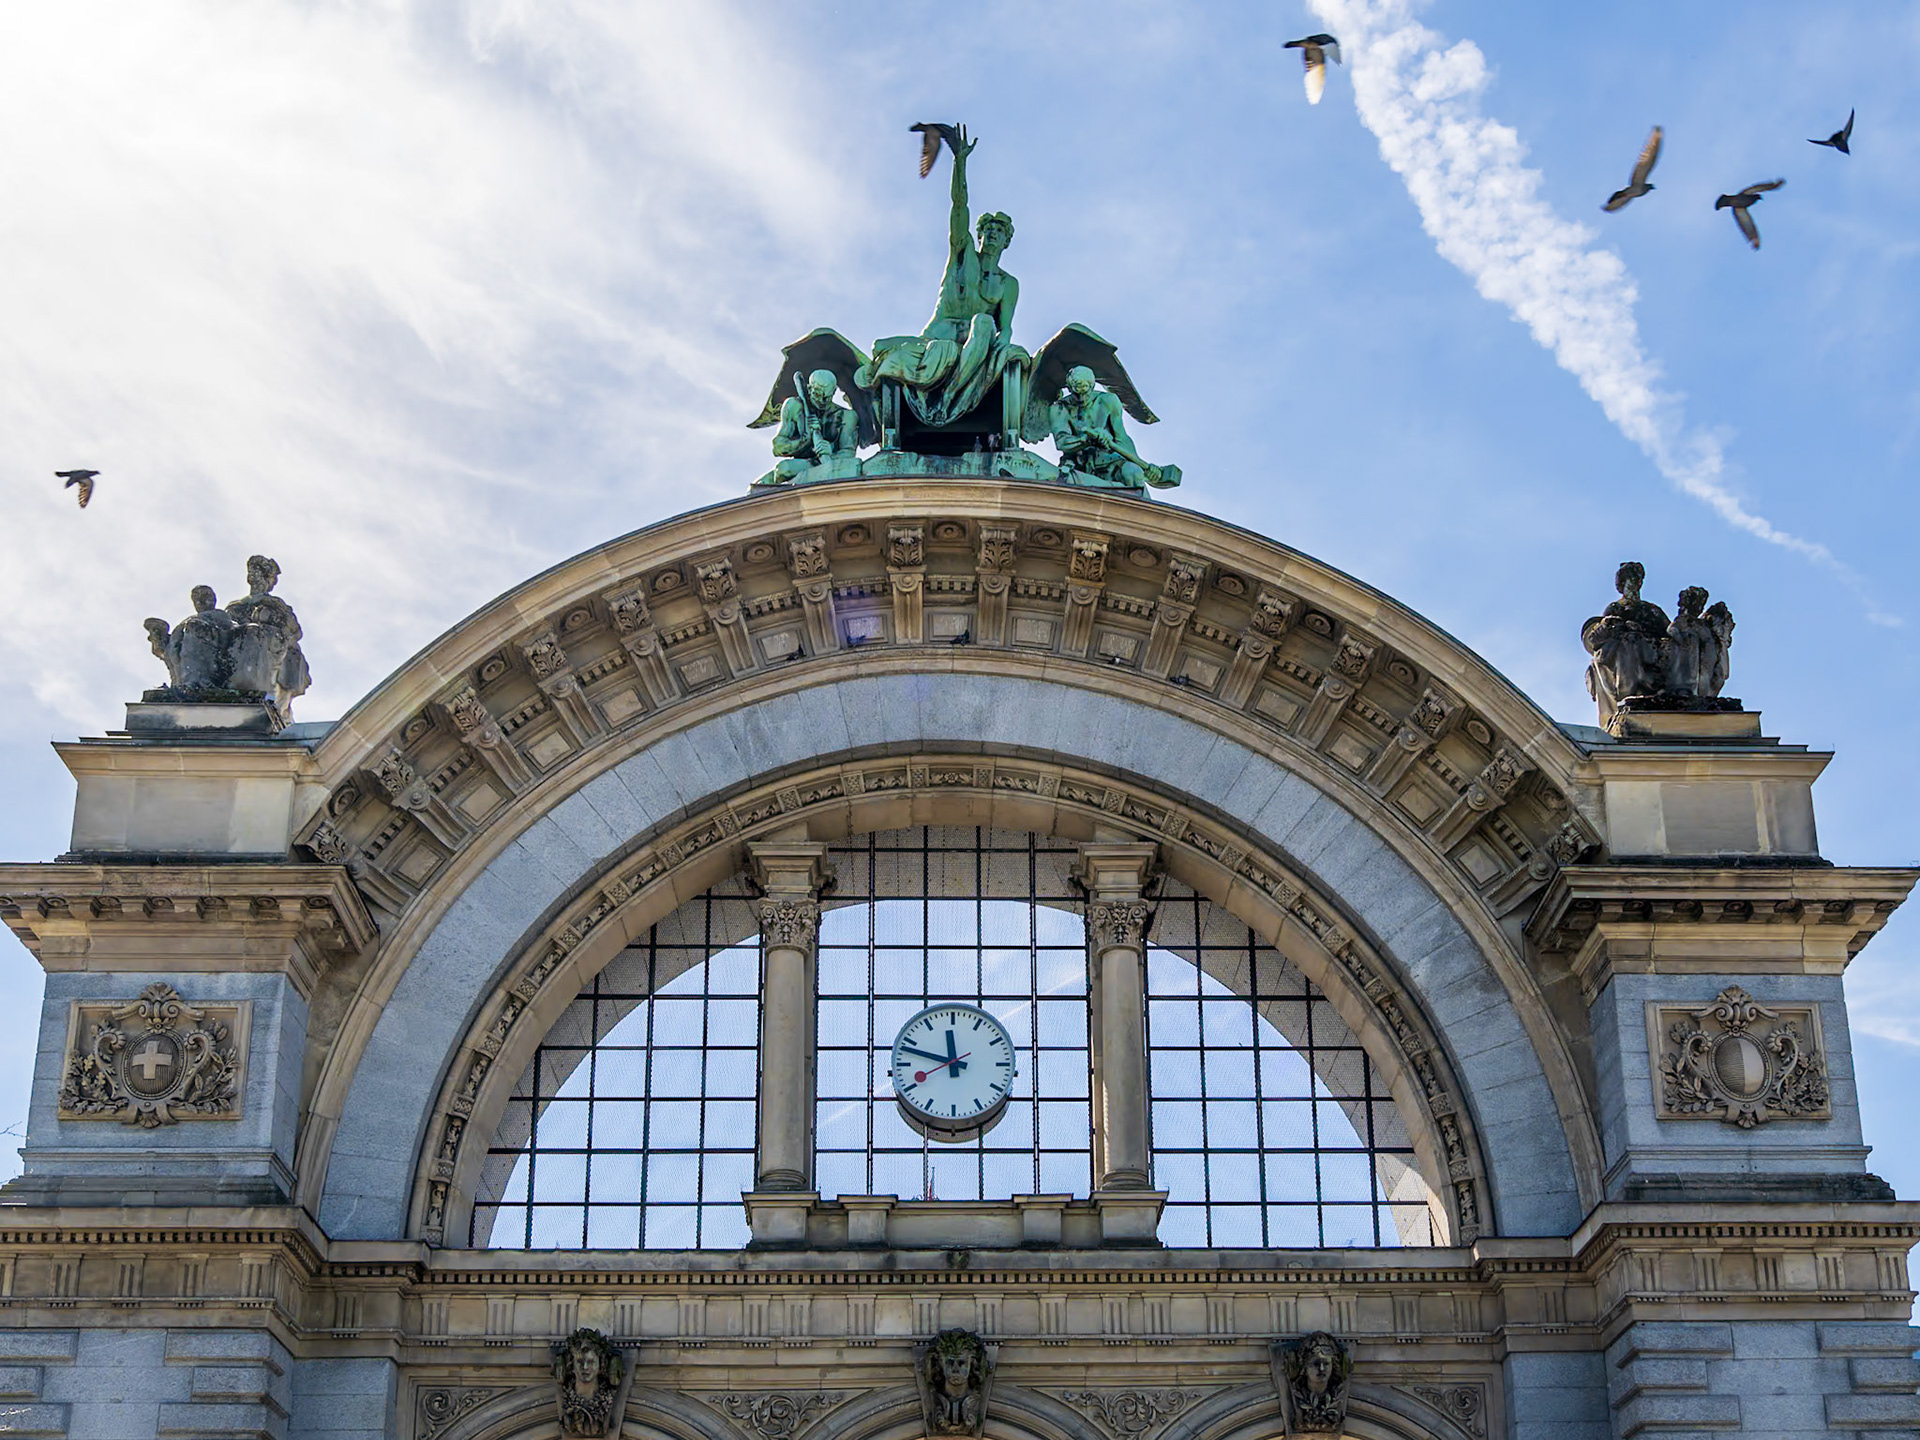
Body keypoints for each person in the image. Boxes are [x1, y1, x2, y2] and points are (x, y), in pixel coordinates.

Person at [858, 128, 1026, 428]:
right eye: (987, 230)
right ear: (979, 234)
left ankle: (948, 398)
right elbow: (959, 206)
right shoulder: (962, 254)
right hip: (937, 340)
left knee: (985, 323)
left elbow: (1007, 329)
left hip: (975, 346)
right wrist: (959, 163)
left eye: (998, 232)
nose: (991, 235)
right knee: (884, 347)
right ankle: (940, 401)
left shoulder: (1007, 283)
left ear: (1006, 242)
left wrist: (1004, 351)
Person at [1048, 365, 1175, 489]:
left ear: (1092, 386)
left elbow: (1122, 438)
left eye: (1085, 393)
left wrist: (1140, 465)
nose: (1081, 398)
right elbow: (1062, 443)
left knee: (1133, 474)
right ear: (1069, 388)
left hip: (1112, 461)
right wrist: (1086, 440)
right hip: (1079, 464)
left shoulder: (1108, 401)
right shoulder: (1059, 409)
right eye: (1077, 394)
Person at [762, 369, 861, 483]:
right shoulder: (794, 406)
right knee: (784, 469)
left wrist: (829, 451)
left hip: (832, 463)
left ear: (833, 392)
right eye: (818, 394)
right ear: (809, 388)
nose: (822, 401)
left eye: (827, 397)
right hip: (801, 464)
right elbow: (778, 447)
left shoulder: (846, 416)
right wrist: (806, 439)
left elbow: (849, 453)